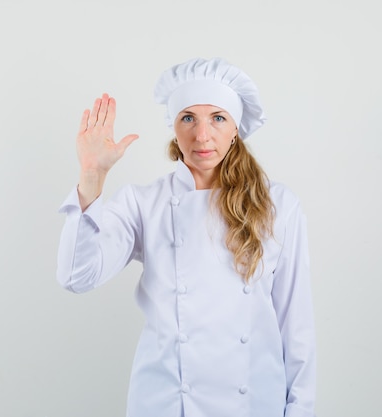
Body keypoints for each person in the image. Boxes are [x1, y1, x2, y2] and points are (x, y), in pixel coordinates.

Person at [56, 57, 316, 417]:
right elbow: (76, 276)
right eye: (188, 118)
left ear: (236, 128)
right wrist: (92, 175)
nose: (202, 135)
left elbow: (296, 328)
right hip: (164, 404)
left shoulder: (278, 205)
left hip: (253, 404)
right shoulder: (144, 203)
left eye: (218, 118)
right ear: (174, 127)